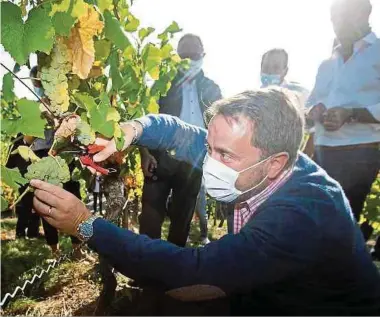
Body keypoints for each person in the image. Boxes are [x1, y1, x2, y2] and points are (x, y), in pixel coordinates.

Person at [32, 88, 380, 315]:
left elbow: (191, 272)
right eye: (210, 148)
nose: (209, 162)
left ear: (275, 163)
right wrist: (130, 132)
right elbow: (175, 130)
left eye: (223, 154)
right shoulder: (263, 159)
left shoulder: (301, 216)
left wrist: (85, 224)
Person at [306, 0, 380, 259]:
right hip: (324, 151)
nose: (338, 25)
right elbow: (312, 101)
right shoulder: (327, 62)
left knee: (341, 219)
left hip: (360, 152)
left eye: (344, 17)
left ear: (365, 13)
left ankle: (337, 281)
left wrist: (351, 114)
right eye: (334, 19)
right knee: (314, 215)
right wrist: (315, 110)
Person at [139, 33, 221, 246]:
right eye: (184, 54)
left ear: (203, 55)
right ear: (176, 56)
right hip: (160, 157)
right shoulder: (162, 85)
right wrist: (145, 153)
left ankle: (172, 270)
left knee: (182, 217)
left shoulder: (213, 89)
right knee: (150, 215)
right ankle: (147, 270)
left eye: (193, 54)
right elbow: (147, 119)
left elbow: (221, 126)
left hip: (194, 160)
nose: (189, 59)